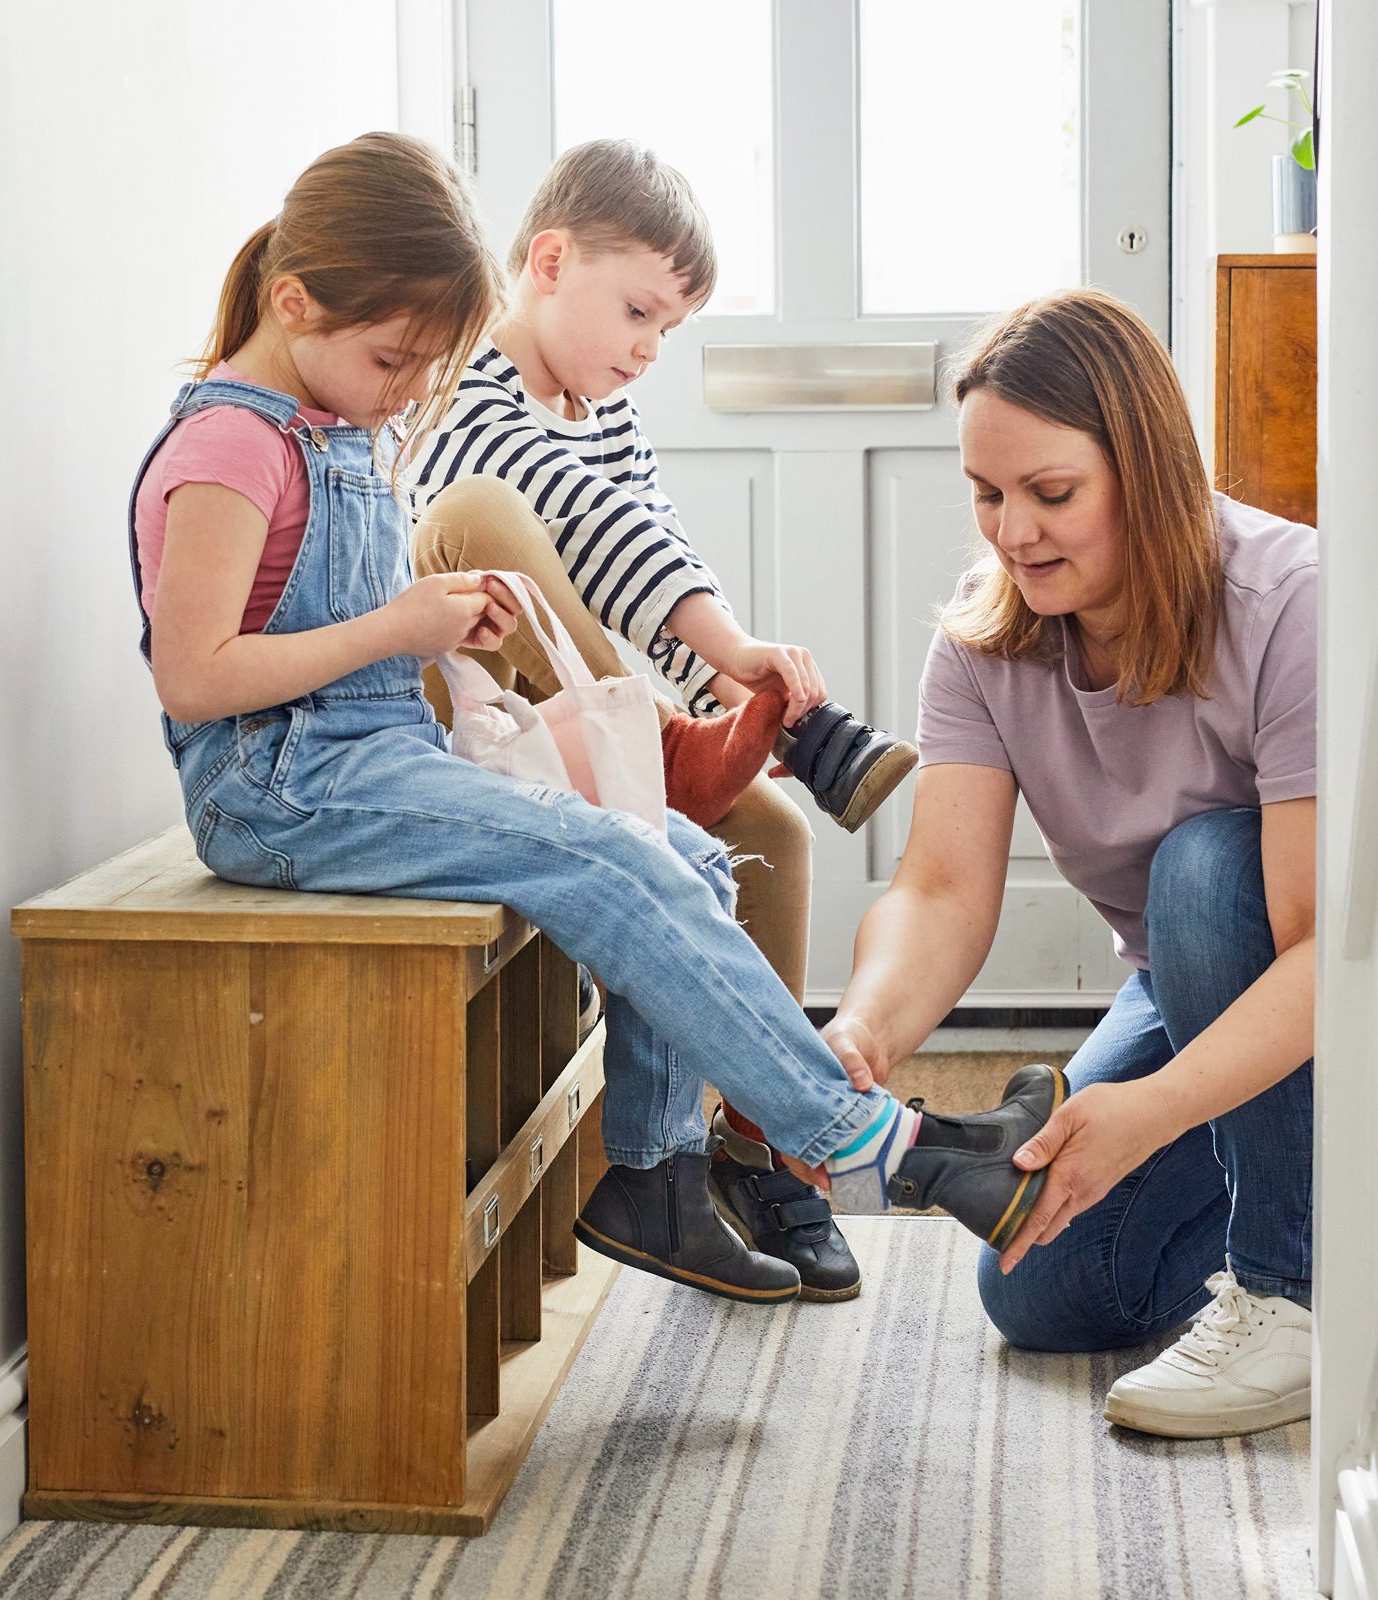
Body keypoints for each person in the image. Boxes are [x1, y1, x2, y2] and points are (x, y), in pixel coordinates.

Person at [127, 131, 1060, 1308]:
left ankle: (659, 1175)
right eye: (396, 360)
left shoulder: (338, 422)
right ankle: (872, 1142)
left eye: (428, 367)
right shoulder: (227, 442)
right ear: (293, 300)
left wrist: (444, 623)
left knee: (687, 850)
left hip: (367, 759)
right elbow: (195, 679)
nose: (413, 392)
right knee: (614, 850)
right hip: (274, 788)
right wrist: (397, 627)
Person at [409, 139, 918, 1301]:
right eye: (636, 312)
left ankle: (749, 1146)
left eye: (668, 332)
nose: (647, 350)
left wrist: (726, 685)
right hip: (468, 709)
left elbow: (652, 549)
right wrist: (728, 664)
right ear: (546, 261)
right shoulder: (463, 384)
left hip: (580, 707)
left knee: (774, 831)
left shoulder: (603, 410)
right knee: (514, 527)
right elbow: (582, 533)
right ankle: (692, 749)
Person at [822, 288, 1315, 1438]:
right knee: (1037, 1283)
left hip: (1321, 992)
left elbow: (1318, 952)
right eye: (986, 495)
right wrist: (866, 1028)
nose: (1011, 532)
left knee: (1200, 868)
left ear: (1143, 471)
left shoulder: (1286, 604)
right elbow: (940, 890)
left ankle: (1290, 1290)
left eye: (1051, 494)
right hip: (1182, 992)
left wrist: (1144, 1113)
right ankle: (1343, 1220)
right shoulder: (988, 639)